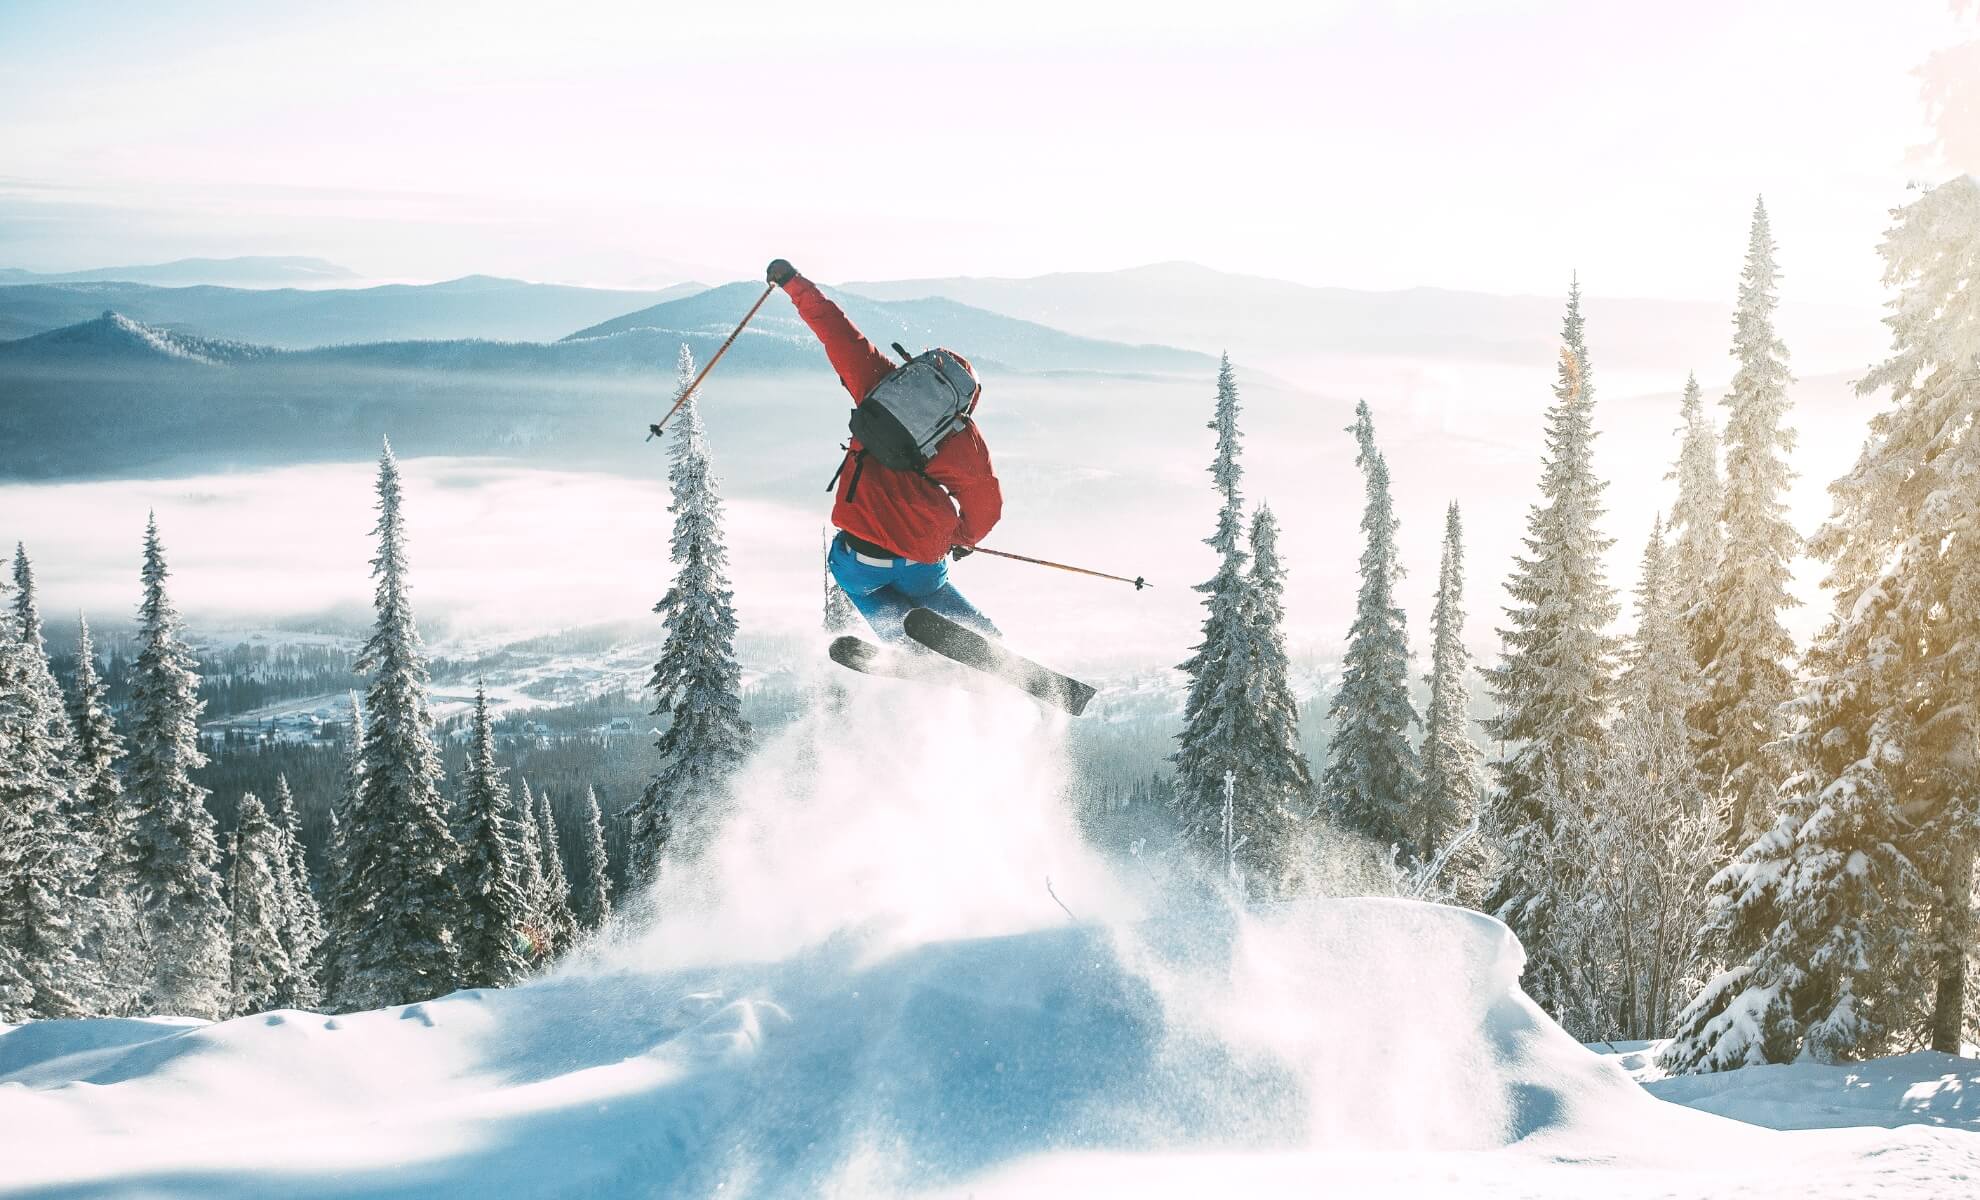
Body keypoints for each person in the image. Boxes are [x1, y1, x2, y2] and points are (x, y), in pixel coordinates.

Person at [766, 257, 1002, 643]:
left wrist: (792, 283)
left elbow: (836, 330)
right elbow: (986, 504)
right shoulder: (963, 438)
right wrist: (962, 538)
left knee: (858, 584)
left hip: (863, 556)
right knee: (932, 591)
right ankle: (990, 641)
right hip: (923, 556)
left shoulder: (878, 382)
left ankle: (902, 645)